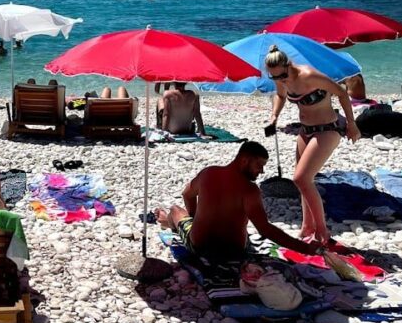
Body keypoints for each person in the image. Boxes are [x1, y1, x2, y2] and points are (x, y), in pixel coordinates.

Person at [154, 141, 329, 260]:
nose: (261, 171)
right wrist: (305, 249)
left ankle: (168, 221)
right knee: (179, 213)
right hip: (235, 252)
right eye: (259, 165)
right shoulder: (250, 191)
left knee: (176, 210)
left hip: (199, 247)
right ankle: (168, 221)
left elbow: (187, 194)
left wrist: (194, 218)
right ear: (244, 160)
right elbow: (265, 230)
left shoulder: (208, 174)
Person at [265, 45, 360, 245]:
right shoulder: (282, 79)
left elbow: (342, 93)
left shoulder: (309, 76)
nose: (278, 80)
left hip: (328, 128)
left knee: (301, 178)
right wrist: (274, 116)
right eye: (273, 78)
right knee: (304, 181)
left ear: (288, 65)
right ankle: (307, 227)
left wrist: (352, 125)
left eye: (281, 75)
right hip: (305, 131)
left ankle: (322, 231)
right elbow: (280, 96)